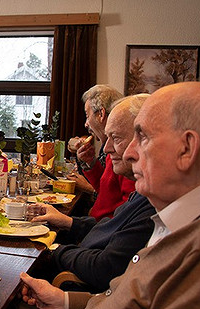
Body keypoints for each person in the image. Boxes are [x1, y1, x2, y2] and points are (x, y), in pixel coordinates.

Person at [0, 82, 200, 309]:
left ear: (187, 148)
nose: (128, 153)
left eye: (141, 137)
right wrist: (65, 302)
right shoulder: (183, 214)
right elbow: (131, 304)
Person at [28, 94, 155, 292]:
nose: (106, 147)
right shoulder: (143, 190)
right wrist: (67, 221)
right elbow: (111, 219)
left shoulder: (153, 200)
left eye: (116, 138)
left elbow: (106, 267)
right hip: (86, 249)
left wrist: (55, 250)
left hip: (83, 277)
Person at [71, 85, 135, 220]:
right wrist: (91, 163)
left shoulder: (124, 153)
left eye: (87, 116)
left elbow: (125, 214)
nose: (86, 124)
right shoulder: (108, 147)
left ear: (101, 114)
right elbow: (108, 189)